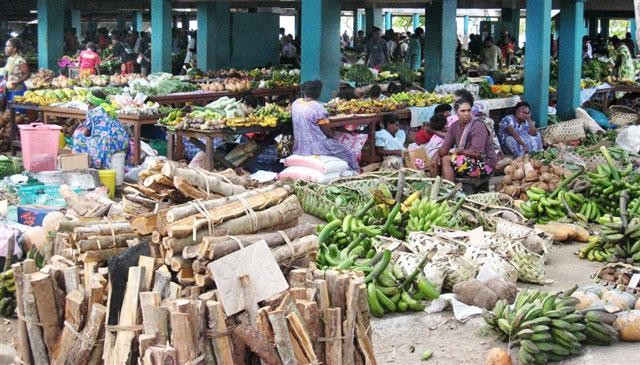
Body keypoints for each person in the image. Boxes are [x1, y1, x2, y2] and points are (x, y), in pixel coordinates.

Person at [291, 80, 359, 171]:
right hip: (317, 146)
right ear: (318, 93)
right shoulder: (317, 107)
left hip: (299, 145)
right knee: (349, 153)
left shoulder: (296, 103)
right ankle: (355, 173)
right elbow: (326, 130)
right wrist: (333, 138)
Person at [430, 99, 497, 181]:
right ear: (456, 112)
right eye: (463, 111)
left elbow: (476, 152)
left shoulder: (478, 126)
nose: (466, 114)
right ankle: (436, 188)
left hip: (485, 164)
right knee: (437, 159)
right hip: (468, 159)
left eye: (469, 110)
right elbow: (445, 147)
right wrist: (436, 154)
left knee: (446, 159)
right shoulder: (454, 126)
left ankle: (451, 190)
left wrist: (457, 151)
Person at [1, 38, 30, 103]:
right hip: (8, 90)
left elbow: (27, 74)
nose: (6, 48)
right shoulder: (9, 59)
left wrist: (17, 82)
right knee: (10, 110)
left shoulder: (20, 60)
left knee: (17, 112)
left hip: (18, 90)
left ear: (14, 49)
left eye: (8, 46)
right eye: (6, 46)